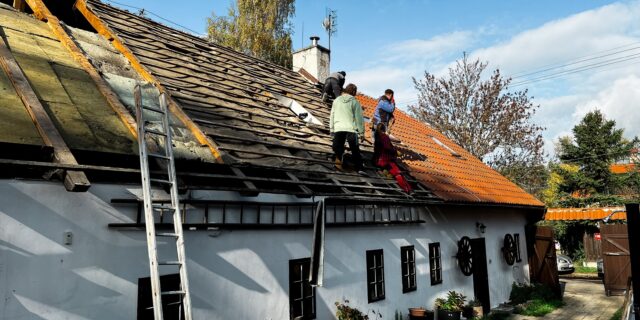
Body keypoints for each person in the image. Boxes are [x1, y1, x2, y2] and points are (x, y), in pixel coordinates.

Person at [330, 83, 365, 174]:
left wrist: (331, 129)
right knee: (355, 149)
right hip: (351, 129)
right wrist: (361, 133)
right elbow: (359, 118)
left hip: (339, 128)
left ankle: (338, 164)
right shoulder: (355, 102)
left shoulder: (336, 100)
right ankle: (359, 168)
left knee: (338, 146)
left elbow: (332, 115)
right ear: (353, 92)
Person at [373, 123, 412, 194]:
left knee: (393, 173)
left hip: (379, 161)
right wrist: (395, 151)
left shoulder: (377, 137)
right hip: (386, 161)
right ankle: (408, 190)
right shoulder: (384, 137)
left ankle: (384, 172)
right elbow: (387, 148)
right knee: (398, 174)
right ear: (384, 129)